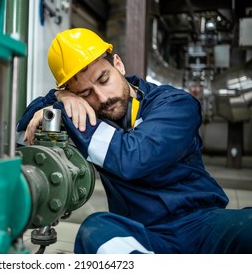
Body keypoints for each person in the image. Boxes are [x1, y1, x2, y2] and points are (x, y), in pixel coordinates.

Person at [16, 28, 252, 253]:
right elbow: (23, 132)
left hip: (202, 225)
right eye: (85, 93)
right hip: (140, 234)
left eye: (103, 79)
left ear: (118, 64)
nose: (102, 97)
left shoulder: (174, 103)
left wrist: (65, 108)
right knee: (95, 230)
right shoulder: (89, 115)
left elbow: (133, 157)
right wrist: (59, 97)